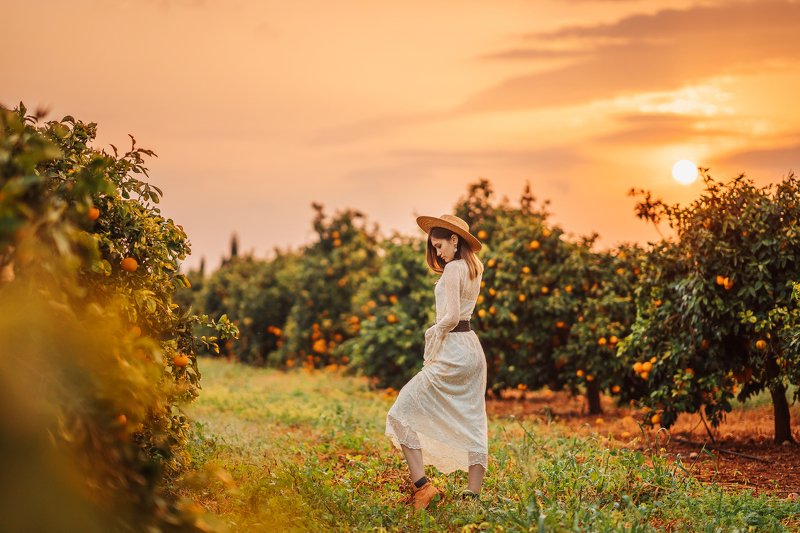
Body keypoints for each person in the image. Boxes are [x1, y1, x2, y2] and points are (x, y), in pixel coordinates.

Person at [385, 214, 488, 510]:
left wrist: (434, 331)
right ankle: (472, 494)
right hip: (472, 349)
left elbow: (452, 317)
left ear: (455, 240)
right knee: (473, 417)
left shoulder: (455, 268)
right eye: (434, 247)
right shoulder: (474, 267)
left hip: (453, 348)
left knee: (401, 410)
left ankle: (423, 487)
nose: (438, 252)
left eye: (440, 245)